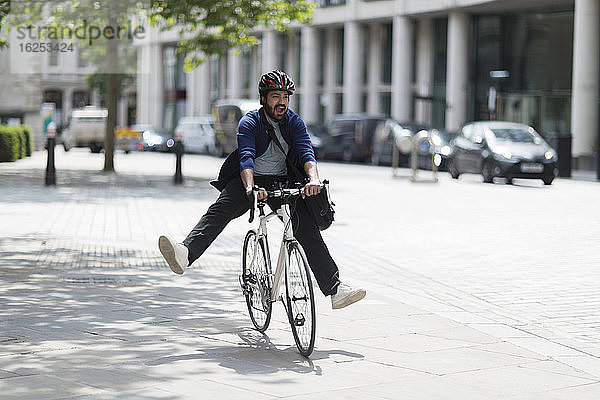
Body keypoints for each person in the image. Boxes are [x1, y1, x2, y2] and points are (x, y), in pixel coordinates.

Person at [158, 70, 366, 309]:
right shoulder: (250, 122)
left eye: (286, 96)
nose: (282, 102)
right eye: (276, 96)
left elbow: (307, 152)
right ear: (264, 98)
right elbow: (246, 157)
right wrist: (250, 188)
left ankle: (335, 290)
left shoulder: (294, 122)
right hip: (251, 179)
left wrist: (314, 180)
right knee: (220, 210)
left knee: (307, 229)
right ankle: (186, 253)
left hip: (283, 181)